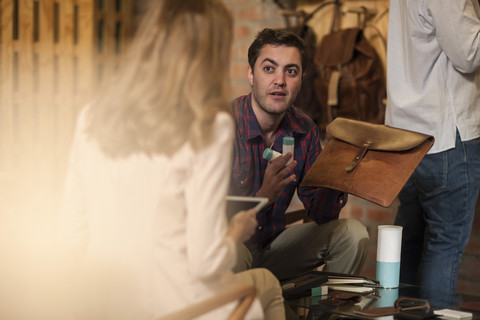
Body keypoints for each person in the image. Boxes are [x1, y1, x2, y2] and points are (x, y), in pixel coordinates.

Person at [57, 1, 285, 319]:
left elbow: (69, 235)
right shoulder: (208, 126)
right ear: (211, 53)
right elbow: (204, 262)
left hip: (97, 303)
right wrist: (235, 231)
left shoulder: (91, 118)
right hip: (173, 304)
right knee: (262, 293)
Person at [230, 28, 369, 281]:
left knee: (352, 233)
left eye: (290, 71)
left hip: (273, 249)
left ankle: (328, 313)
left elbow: (322, 216)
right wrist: (264, 196)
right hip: (229, 250)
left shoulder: (304, 129)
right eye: (269, 69)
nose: (280, 81)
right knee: (233, 253)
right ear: (251, 74)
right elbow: (206, 223)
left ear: (301, 79)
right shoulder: (224, 125)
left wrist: (336, 177)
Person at [386, 0, 480, 307]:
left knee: (411, 241)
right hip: (444, 134)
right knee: (445, 245)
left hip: (405, 135)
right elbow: (469, 53)